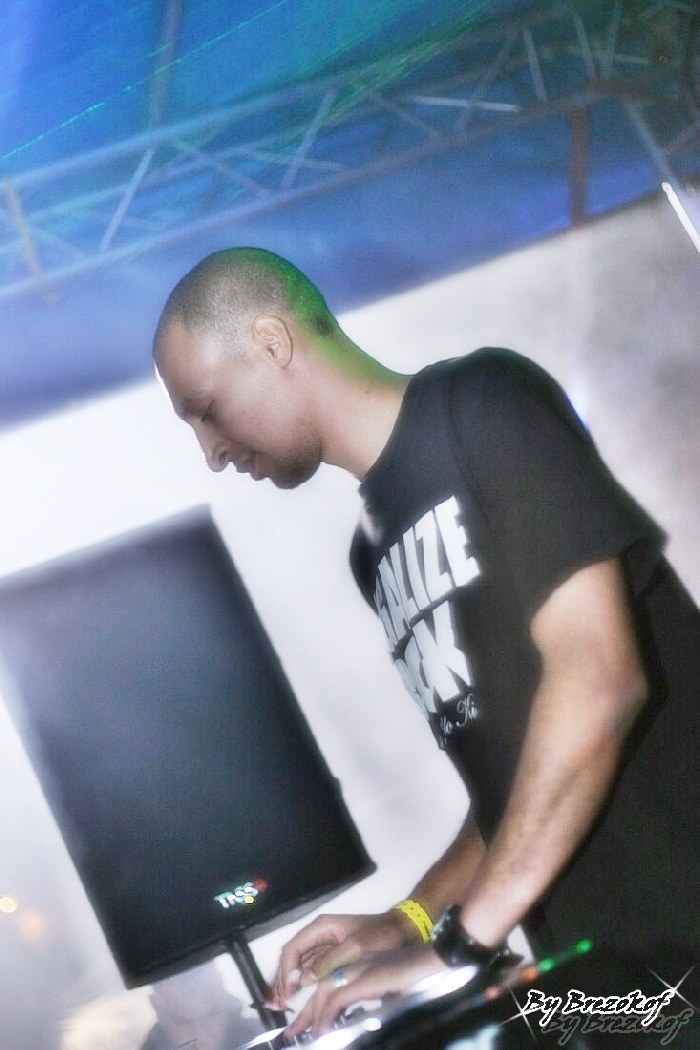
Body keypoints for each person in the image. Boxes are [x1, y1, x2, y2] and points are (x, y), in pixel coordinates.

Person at [152, 248, 698, 1043]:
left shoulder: (482, 403)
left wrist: (455, 948)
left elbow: (599, 681)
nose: (212, 452)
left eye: (205, 409)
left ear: (270, 342)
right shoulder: (372, 556)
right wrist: (406, 923)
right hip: (608, 986)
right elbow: (514, 785)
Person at [139, 961, 263, 1050]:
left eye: (211, 1015)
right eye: (183, 1022)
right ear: (156, 1006)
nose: (201, 1034)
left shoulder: (263, 1038)